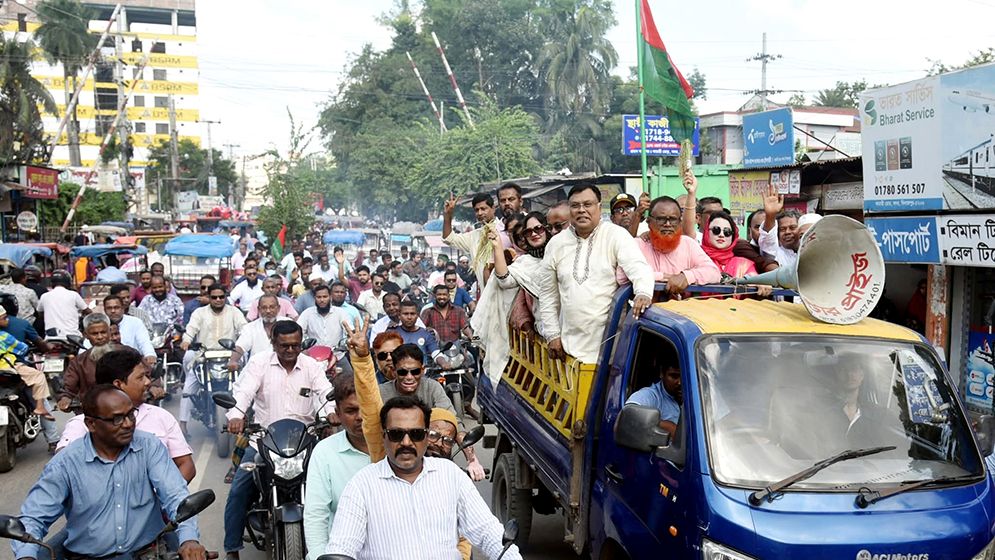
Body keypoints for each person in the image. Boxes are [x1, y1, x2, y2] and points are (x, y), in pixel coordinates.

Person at [13, 385, 207, 560]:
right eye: (117, 419)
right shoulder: (65, 464)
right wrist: (26, 556)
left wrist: (189, 540)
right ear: (91, 424)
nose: (128, 424)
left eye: (131, 414)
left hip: (148, 553)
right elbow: (33, 517)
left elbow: (176, 497)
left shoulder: (150, 446)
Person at [325, 396, 521, 560]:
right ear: (383, 436)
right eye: (396, 434)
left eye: (416, 434)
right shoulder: (361, 485)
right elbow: (342, 547)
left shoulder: (451, 476)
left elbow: (488, 532)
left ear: (427, 436)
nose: (406, 442)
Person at [223, 321, 335, 560]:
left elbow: (325, 392)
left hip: (304, 443)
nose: (291, 350)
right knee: (238, 492)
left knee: (334, 486)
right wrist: (236, 416)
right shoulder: (259, 363)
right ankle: (232, 548)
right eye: (284, 346)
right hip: (263, 442)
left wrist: (331, 413)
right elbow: (243, 393)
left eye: (295, 345)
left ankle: (336, 540)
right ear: (273, 342)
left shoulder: (311, 366)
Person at [539, 184, 654, 363]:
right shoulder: (556, 244)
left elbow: (638, 267)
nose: (581, 210)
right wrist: (552, 334)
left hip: (609, 349)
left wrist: (643, 292)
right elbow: (547, 294)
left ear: (599, 207)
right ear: (570, 209)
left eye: (588, 204)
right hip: (568, 349)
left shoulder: (616, 235)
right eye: (575, 205)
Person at [57, 347, 195, 482]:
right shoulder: (82, 425)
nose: (148, 382)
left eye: (147, 376)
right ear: (118, 384)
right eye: (141, 377)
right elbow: (61, 469)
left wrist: (166, 496)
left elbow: (186, 465)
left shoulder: (161, 417)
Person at [303, 373, 370, 560]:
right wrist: (319, 555)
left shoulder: (397, 446)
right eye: (351, 411)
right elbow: (316, 515)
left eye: (365, 408)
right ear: (338, 414)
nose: (360, 417)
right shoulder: (324, 452)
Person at [179, 284, 247, 435]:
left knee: (246, 385)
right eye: (214, 297)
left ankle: (247, 419)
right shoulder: (199, 312)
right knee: (188, 389)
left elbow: (244, 329)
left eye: (221, 297)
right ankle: (182, 425)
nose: (218, 300)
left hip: (230, 357)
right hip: (204, 356)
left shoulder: (234, 312)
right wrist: (186, 341)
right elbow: (191, 329)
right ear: (208, 298)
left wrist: (245, 340)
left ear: (225, 297)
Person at [620, 196, 721, 296]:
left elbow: (714, 272)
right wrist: (663, 276)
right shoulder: (637, 245)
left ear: (680, 222)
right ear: (649, 222)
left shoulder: (688, 244)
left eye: (673, 219)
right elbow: (621, 276)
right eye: (661, 219)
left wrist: (686, 277)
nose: (667, 224)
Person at [0, 310, 52, 419]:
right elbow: (22, 349)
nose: (7, 320)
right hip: (6, 368)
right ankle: (40, 407)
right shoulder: (4, 336)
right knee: (38, 376)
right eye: (4, 318)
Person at [443, 193, 501, 290]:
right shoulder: (474, 236)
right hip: (486, 295)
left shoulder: (504, 229)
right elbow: (449, 238)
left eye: (484, 209)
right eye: (477, 210)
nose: (480, 213)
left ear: (493, 208)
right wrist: (448, 215)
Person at [58, 313, 113, 410]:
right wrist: (65, 398)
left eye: (103, 332)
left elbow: (144, 376)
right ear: (86, 335)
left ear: (110, 332)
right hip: (92, 412)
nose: (100, 337)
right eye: (94, 334)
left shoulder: (127, 353)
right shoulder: (78, 362)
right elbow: (69, 388)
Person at [626, 359, 682, 437]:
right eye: (674, 376)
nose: (679, 382)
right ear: (662, 374)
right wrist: (667, 426)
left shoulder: (700, 395)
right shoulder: (650, 395)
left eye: (683, 376)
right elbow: (628, 417)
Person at [229, 295, 290, 368]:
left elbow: (300, 346)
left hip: (284, 368)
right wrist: (233, 361)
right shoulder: (250, 328)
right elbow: (240, 347)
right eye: (264, 308)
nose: (268, 311)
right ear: (259, 309)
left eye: (272, 307)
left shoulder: (289, 324)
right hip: (257, 370)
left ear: (278, 308)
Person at [103, 294, 156, 365]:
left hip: (133, 362)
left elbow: (144, 342)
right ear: (104, 310)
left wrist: (149, 354)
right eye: (109, 308)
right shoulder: (100, 324)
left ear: (123, 308)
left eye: (116, 307)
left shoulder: (135, 322)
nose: (113, 311)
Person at [387, 301, 444, 366]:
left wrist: (443, 363)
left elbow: (436, 353)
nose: (409, 317)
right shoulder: (391, 333)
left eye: (412, 314)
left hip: (421, 374)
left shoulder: (426, 334)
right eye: (405, 314)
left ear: (417, 315)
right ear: (399, 316)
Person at [759, 184, 800, 269]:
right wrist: (770, 215)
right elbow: (768, 239)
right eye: (782, 229)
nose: (787, 232)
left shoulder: (809, 251)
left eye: (792, 227)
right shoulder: (776, 253)